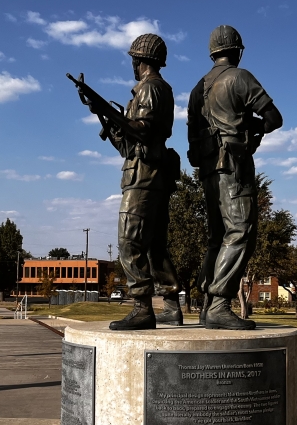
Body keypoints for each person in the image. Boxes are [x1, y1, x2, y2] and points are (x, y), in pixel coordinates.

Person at [187, 25, 283, 330]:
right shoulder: (240, 78)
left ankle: (206, 306)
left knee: (218, 237)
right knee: (240, 232)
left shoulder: (197, 88)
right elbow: (274, 118)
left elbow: (191, 143)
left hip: (207, 171)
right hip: (233, 167)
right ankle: (218, 303)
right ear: (237, 51)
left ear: (213, 52)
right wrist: (252, 127)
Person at [100, 33, 183, 330]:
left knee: (128, 241)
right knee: (155, 247)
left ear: (140, 60)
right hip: (150, 174)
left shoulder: (150, 89)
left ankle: (141, 306)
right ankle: (172, 306)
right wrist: (105, 118)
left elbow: (144, 131)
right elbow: (128, 146)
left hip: (144, 178)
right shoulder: (154, 91)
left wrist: (115, 115)